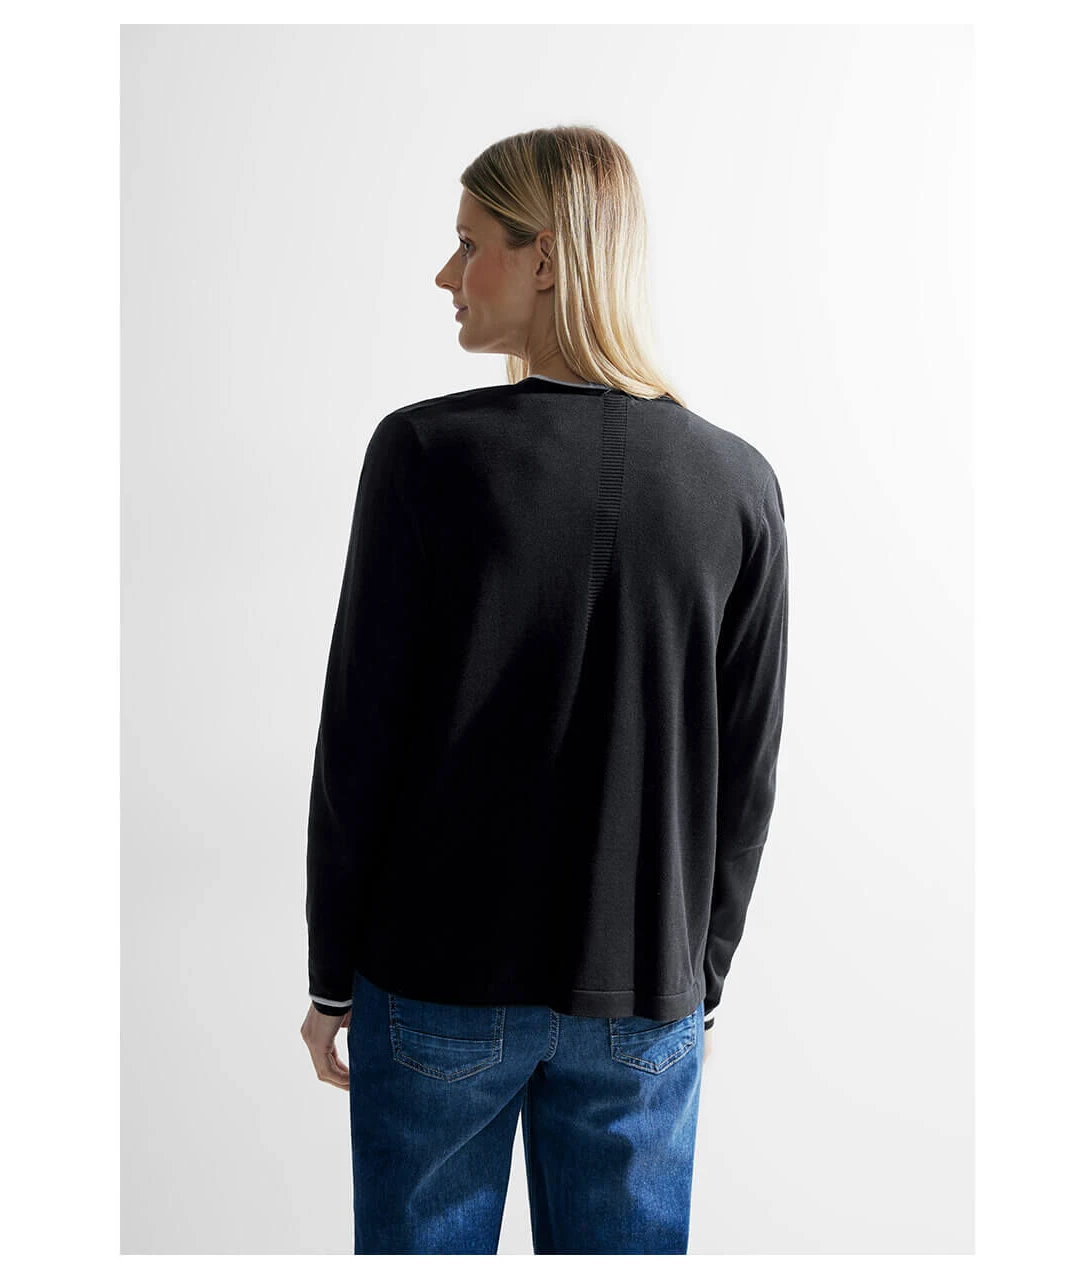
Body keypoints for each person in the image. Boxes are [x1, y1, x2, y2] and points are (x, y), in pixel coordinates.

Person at [298, 125, 789, 1254]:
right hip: (644, 996)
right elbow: (747, 777)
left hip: (435, 980)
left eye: (469, 244)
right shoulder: (737, 484)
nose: (446, 274)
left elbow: (359, 741)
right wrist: (698, 981)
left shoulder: (425, 454)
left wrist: (331, 979)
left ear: (550, 257)